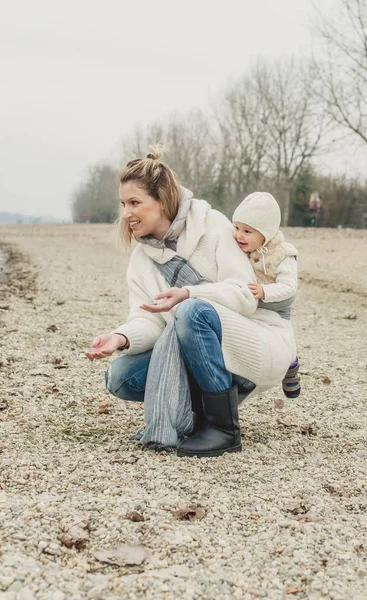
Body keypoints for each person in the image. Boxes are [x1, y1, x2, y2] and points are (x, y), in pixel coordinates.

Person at [86, 148, 296, 458]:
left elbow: (243, 295)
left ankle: (223, 429)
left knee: (190, 310)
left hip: (259, 339)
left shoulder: (213, 227)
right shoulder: (142, 259)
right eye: (123, 203)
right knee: (121, 377)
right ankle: (193, 417)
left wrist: (189, 293)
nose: (126, 213)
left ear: (163, 200)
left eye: (135, 203)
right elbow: (151, 320)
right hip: (200, 341)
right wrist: (121, 337)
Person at [232, 192, 301, 398]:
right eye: (236, 228)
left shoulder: (282, 254)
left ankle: (291, 364)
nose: (239, 235)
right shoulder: (240, 248)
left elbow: (289, 286)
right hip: (252, 303)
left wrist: (265, 291)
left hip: (275, 301)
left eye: (247, 231)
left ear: (266, 233)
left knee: (284, 331)